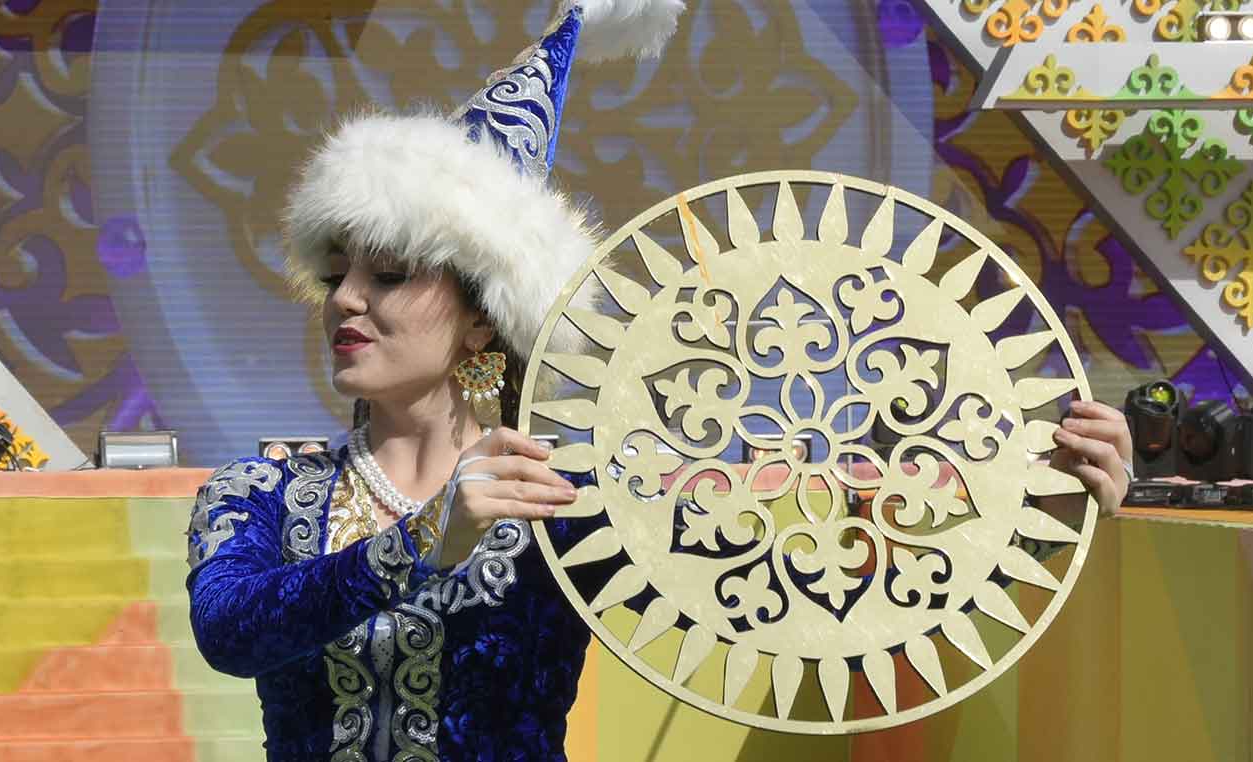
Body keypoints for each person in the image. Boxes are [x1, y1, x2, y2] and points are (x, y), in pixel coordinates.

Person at [184, 1, 1134, 759]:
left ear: (482, 314)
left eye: (389, 273)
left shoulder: (575, 504)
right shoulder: (261, 489)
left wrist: (1046, 482)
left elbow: (835, 576)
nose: (346, 300)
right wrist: (426, 538)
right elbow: (229, 632)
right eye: (335, 275)